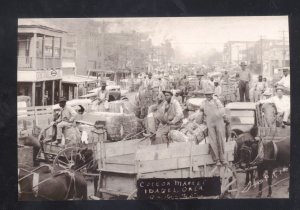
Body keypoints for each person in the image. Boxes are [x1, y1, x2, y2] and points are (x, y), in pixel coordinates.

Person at [199, 86, 227, 165]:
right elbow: (201, 111)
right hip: (210, 123)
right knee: (212, 140)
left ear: (212, 94)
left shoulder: (216, 101)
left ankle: (222, 158)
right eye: (207, 94)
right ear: (205, 95)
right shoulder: (203, 103)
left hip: (218, 122)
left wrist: (216, 115)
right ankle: (217, 159)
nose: (208, 96)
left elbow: (222, 110)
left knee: (220, 139)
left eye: (209, 94)